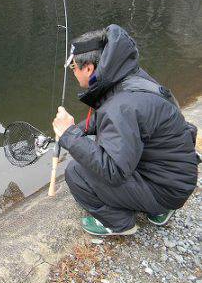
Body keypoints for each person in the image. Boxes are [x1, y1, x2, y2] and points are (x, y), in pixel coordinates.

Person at [52, 24, 198, 236]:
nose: (73, 72)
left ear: (89, 69)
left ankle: (119, 223)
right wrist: (78, 128)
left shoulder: (120, 106)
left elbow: (114, 171)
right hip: (177, 176)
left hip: (167, 190)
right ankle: (158, 209)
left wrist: (69, 136)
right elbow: (117, 119)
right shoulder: (130, 77)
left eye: (73, 67)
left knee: (76, 173)